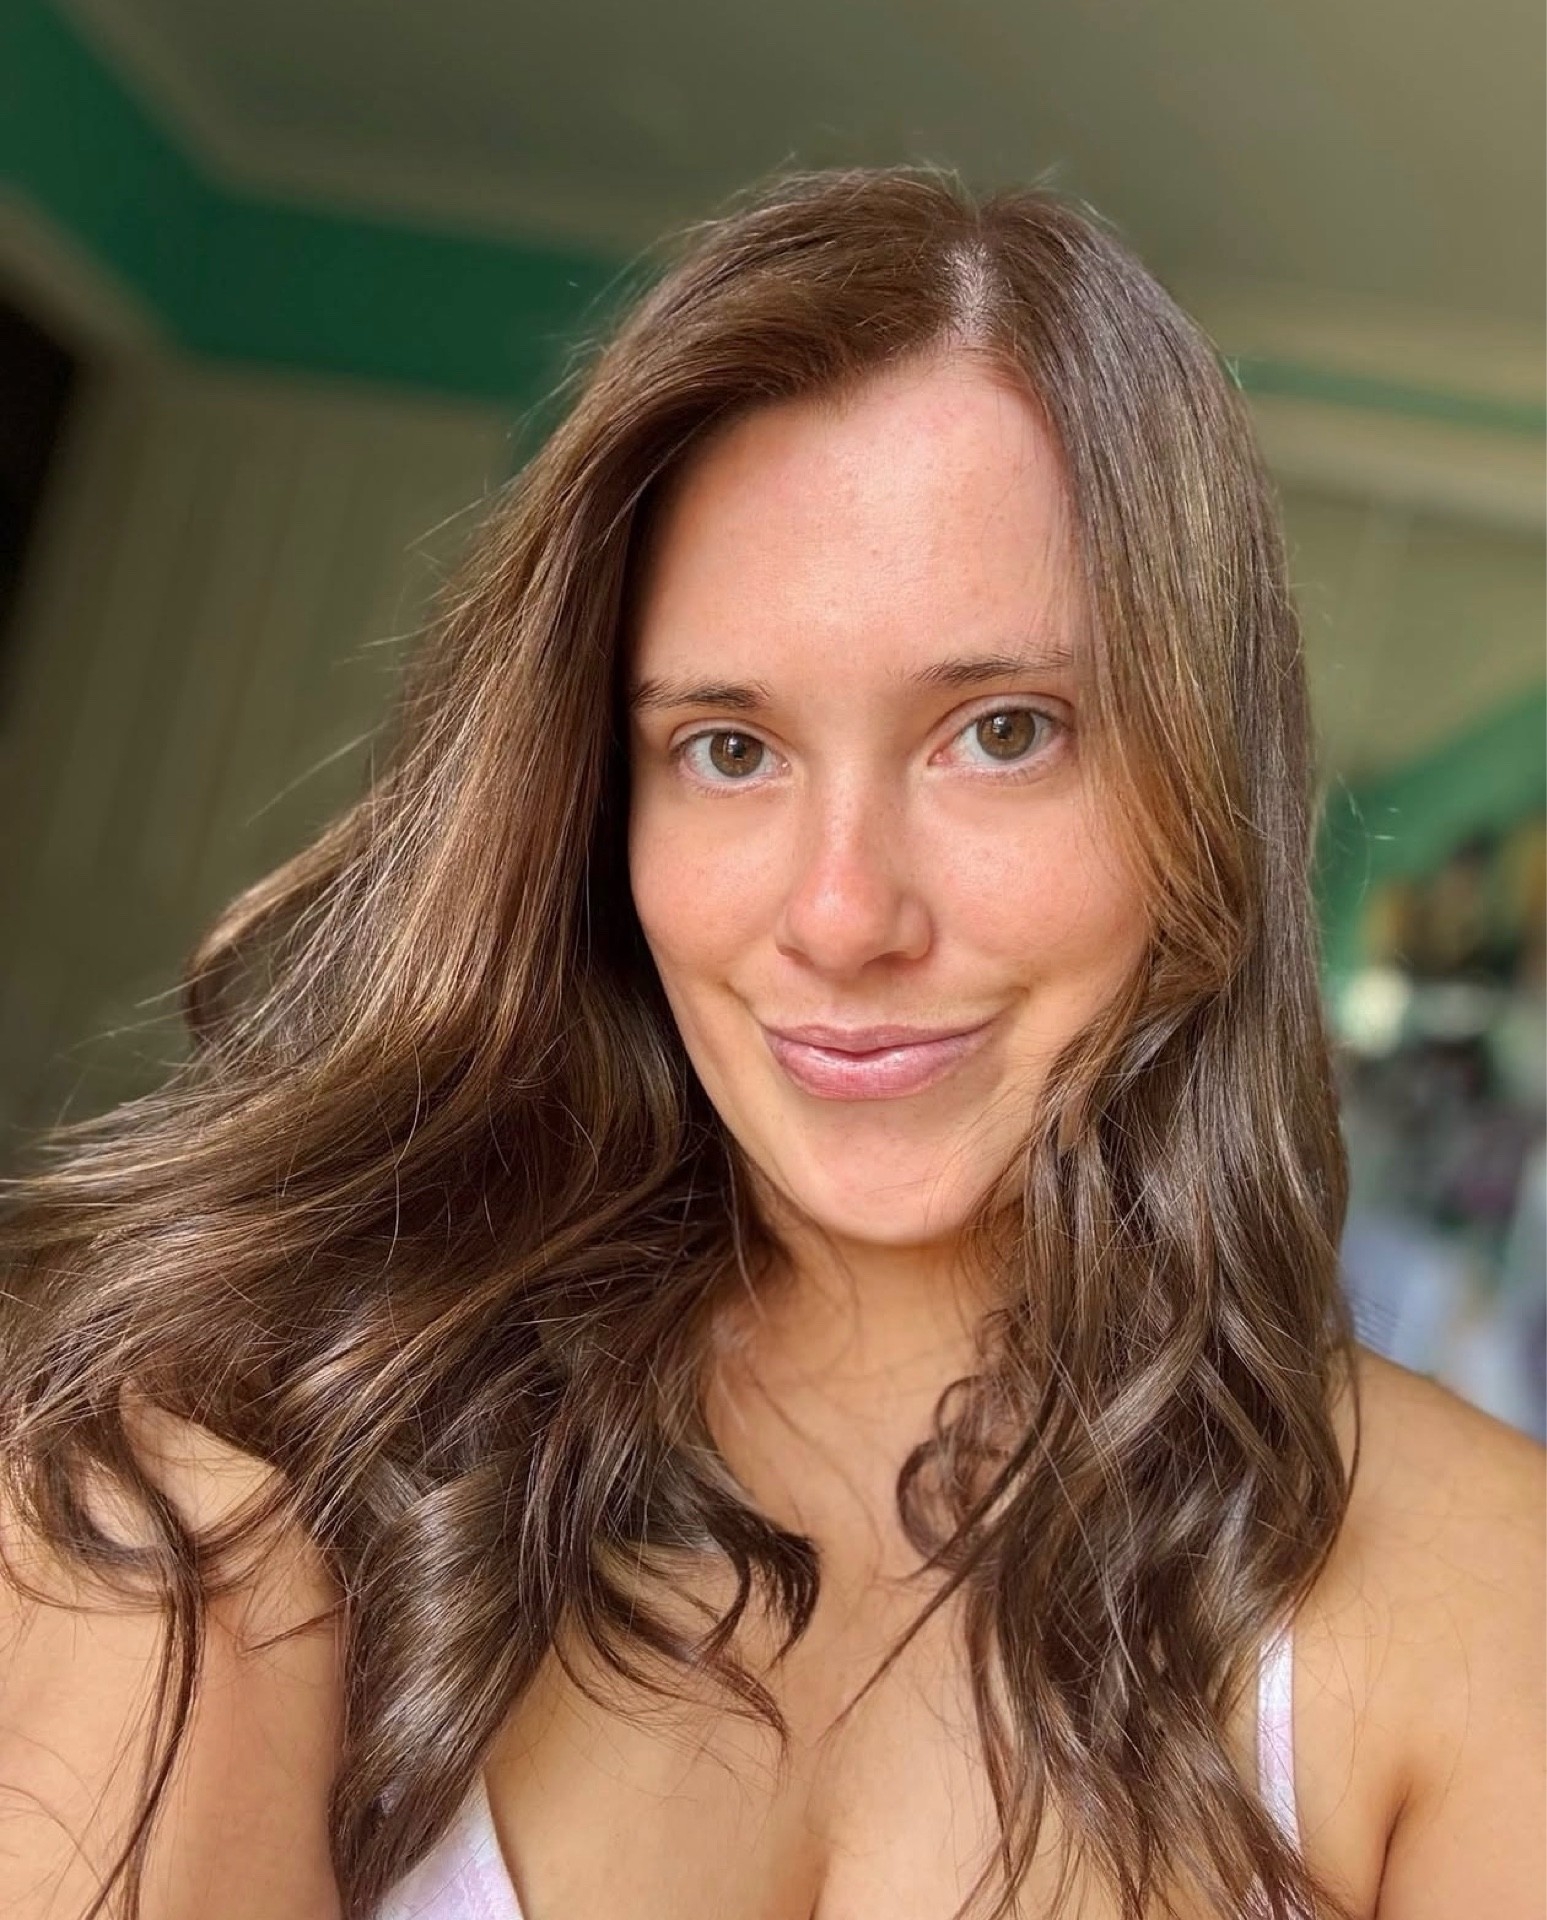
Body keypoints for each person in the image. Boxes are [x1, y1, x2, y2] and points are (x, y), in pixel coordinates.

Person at [0, 166, 1540, 1920]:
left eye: (1003, 731)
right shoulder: (221, 1484)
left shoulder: (1482, 1604)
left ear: (1205, 790)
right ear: (599, 807)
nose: (841, 914)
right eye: (728, 750)